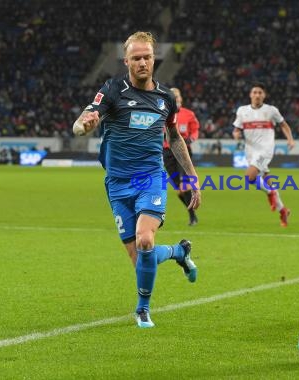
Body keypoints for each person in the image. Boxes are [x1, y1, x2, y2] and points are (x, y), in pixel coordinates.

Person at [72, 31, 201, 329]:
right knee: (142, 258)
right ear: (126, 60)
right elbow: (89, 115)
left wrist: (192, 178)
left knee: (145, 239)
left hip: (150, 178)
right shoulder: (113, 89)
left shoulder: (166, 98)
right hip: (117, 183)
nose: (142, 62)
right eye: (136, 58)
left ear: (154, 59)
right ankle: (179, 252)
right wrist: (84, 125)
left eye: (147, 57)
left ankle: (142, 309)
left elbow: (175, 137)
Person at [232, 82, 295, 227]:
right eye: (254, 92)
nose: (257, 95)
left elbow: (284, 125)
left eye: (260, 92)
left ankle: (270, 192)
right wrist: (236, 134)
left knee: (249, 177)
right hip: (250, 150)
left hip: (265, 149)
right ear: (250, 95)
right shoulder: (242, 111)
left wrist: (290, 139)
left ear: (264, 95)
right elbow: (236, 129)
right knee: (267, 181)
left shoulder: (271, 110)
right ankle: (283, 211)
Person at [163, 87, 200, 226]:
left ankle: (192, 218)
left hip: (183, 151)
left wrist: (192, 139)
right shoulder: (164, 113)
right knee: (179, 191)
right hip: (167, 152)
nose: (175, 99)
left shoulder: (189, 114)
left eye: (177, 97)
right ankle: (192, 214)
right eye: (173, 97)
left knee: (184, 186)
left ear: (180, 99)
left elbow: (195, 130)